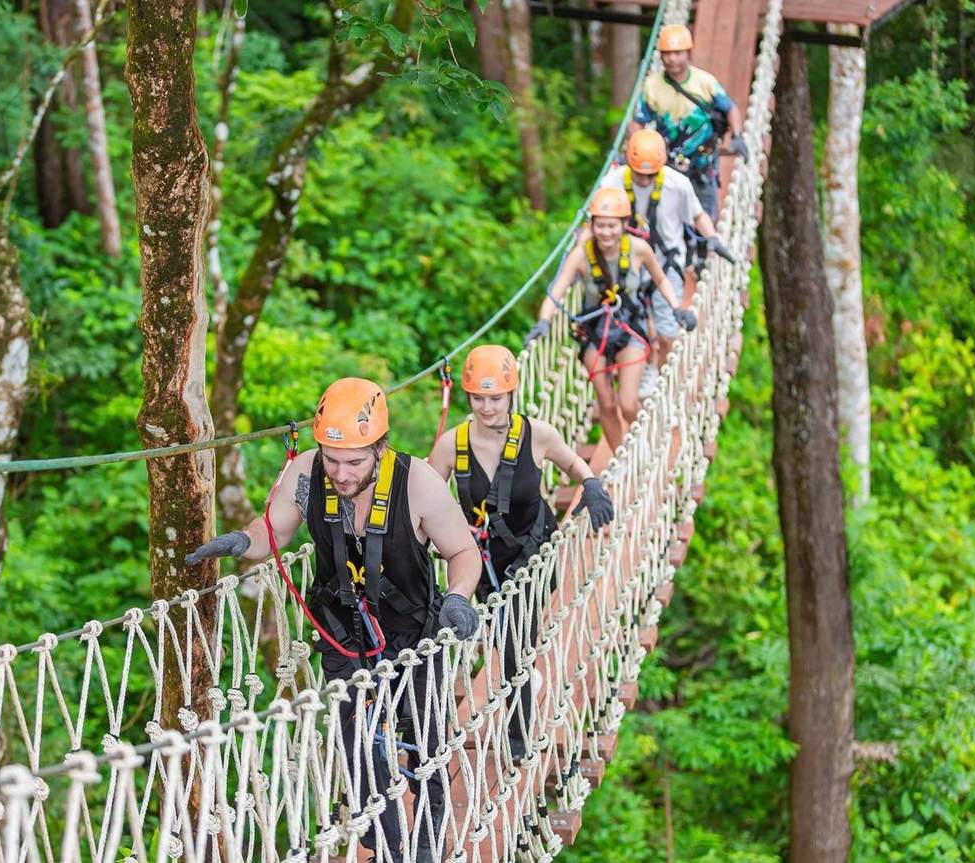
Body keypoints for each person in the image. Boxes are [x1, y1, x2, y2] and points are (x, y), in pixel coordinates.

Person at [185, 377, 481, 863]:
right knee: (355, 741)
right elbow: (272, 530)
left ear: (380, 449)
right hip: (344, 632)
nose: (341, 474)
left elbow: (463, 552)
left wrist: (458, 598)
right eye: (332, 459)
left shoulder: (419, 483)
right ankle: (387, 844)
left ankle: (429, 836)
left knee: (426, 737)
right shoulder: (307, 472)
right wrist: (241, 542)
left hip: (412, 631)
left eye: (354, 462)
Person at [428, 344, 614, 757]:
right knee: (503, 637)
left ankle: (519, 732)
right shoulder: (452, 445)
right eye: (479, 398)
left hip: (535, 553)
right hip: (483, 559)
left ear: (511, 394)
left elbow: (571, 462)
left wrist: (591, 484)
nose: (487, 407)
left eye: (496, 398)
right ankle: (523, 680)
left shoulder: (538, 435)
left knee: (513, 636)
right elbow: (423, 497)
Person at [525, 187, 696, 451]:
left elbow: (661, 279)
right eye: (601, 225)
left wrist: (677, 308)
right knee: (605, 402)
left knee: (628, 403)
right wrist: (543, 321)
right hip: (595, 332)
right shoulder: (581, 255)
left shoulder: (638, 249)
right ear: (592, 226)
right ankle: (621, 456)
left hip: (630, 329)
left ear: (624, 225)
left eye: (612, 226)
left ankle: (645, 449)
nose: (606, 232)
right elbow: (556, 292)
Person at [602, 128, 735, 381]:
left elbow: (697, 215)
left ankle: (662, 379)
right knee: (624, 330)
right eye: (639, 174)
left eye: (650, 175)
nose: (644, 181)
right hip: (626, 267)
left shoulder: (678, 184)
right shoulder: (612, 183)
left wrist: (713, 238)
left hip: (666, 265)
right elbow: (594, 222)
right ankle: (641, 373)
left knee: (668, 332)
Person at [628, 23, 747, 220]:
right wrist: (636, 147)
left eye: (677, 53)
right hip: (668, 162)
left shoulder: (705, 82)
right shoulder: (652, 86)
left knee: (704, 214)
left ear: (688, 53)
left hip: (703, 161)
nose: (672, 59)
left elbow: (730, 108)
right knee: (669, 216)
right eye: (667, 53)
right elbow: (638, 121)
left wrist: (737, 136)